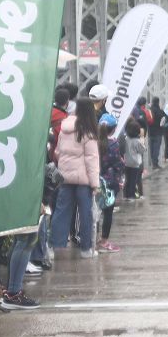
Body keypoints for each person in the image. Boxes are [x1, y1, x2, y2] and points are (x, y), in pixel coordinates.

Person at [50, 97, 101, 258]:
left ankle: (53, 246)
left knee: (61, 212)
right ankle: (86, 249)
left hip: (65, 178)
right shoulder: (89, 132)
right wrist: (95, 184)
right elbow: (91, 160)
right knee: (86, 214)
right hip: (83, 180)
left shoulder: (65, 129)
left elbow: (57, 152)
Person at [97, 114, 124, 252]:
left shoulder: (93, 142)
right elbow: (118, 164)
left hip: (94, 181)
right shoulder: (113, 144)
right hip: (109, 183)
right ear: (113, 129)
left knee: (94, 212)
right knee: (108, 212)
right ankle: (104, 241)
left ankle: (92, 239)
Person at [123, 118, 147, 199]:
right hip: (135, 163)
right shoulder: (137, 141)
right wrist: (142, 140)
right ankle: (131, 195)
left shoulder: (126, 139)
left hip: (126, 162)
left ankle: (126, 195)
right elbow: (142, 150)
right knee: (133, 180)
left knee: (127, 179)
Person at [147, 96, 166, 168]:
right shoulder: (160, 111)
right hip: (158, 132)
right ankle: (155, 163)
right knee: (156, 148)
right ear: (158, 102)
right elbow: (166, 118)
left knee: (151, 148)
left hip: (150, 132)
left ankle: (153, 162)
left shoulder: (149, 110)